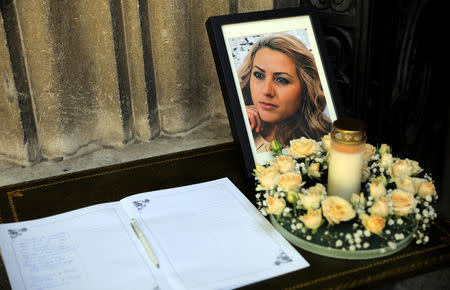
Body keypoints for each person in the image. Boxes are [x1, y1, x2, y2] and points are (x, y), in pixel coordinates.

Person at [237, 33, 332, 152]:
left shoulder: (326, 141)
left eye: (281, 79)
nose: (267, 91)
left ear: (305, 87)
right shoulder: (239, 130)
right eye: (259, 75)